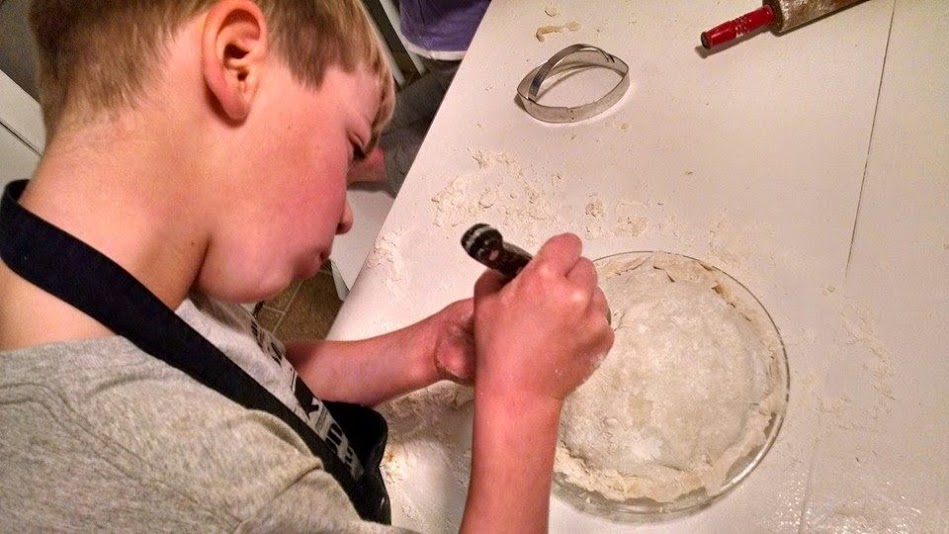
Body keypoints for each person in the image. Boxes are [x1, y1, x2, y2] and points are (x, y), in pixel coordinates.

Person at [0, 0, 613, 532]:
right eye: (350, 148)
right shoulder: (188, 479)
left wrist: (428, 350)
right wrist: (523, 395)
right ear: (237, 63)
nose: (346, 217)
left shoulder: (90, 268)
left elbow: (248, 377)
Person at [375, 0, 491, 194]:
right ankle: (382, 167)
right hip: (454, 35)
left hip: (454, 30)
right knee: (482, 127)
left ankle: (372, 122)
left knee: (448, 89)